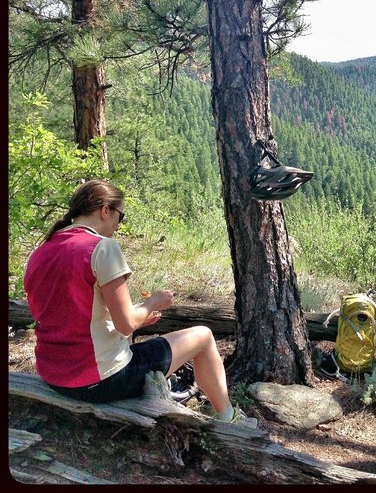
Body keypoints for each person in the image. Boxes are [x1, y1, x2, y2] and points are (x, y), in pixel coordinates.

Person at [23, 180, 256, 427]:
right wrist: (152, 302)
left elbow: (73, 312)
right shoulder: (102, 248)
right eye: (119, 217)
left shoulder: (41, 252)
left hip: (53, 376)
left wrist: (140, 315)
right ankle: (230, 419)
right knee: (203, 336)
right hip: (99, 381)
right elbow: (125, 325)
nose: (117, 226)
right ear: (105, 210)